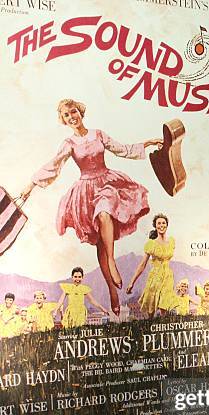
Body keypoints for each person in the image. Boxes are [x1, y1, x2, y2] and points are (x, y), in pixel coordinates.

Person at [20, 98, 162, 316]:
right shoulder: (68, 144)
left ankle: (113, 262)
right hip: (86, 192)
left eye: (73, 112)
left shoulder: (98, 134)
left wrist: (148, 143)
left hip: (106, 184)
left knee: (104, 213)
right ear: (64, 120)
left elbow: (122, 149)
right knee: (100, 246)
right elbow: (53, 166)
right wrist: (30, 185)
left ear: (80, 112)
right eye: (66, 115)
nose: (72, 117)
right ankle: (112, 292)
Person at [126, 214, 175, 318]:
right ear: (155, 226)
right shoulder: (151, 244)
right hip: (155, 277)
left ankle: (164, 327)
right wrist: (131, 282)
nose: (161, 225)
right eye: (159, 223)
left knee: (164, 305)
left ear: (167, 225)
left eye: (163, 223)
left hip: (168, 277)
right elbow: (142, 265)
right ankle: (150, 324)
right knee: (151, 307)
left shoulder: (171, 241)